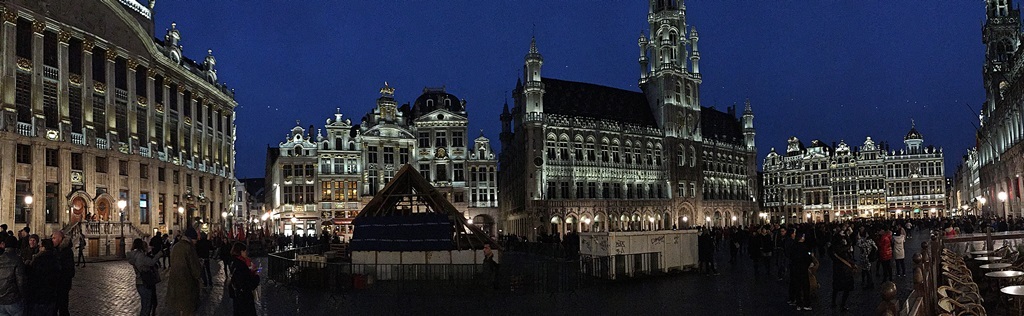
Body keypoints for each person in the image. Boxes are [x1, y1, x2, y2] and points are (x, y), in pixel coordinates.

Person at [166, 227, 201, 316]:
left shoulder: (176, 246)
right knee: (188, 310)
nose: (196, 242)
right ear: (191, 239)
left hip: (175, 283)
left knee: (180, 309)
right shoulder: (189, 247)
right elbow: (195, 270)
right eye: (195, 240)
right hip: (187, 284)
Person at [129, 238, 161, 316]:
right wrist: (159, 254)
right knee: (146, 305)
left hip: (139, 281)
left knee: (145, 304)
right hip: (144, 282)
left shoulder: (134, 255)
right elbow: (151, 262)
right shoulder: (140, 256)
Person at [26, 238, 59, 316]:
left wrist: (28, 266)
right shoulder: (56, 258)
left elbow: (33, 276)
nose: (39, 248)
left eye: (40, 246)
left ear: (44, 248)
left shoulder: (39, 259)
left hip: (40, 295)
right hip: (52, 294)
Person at [228, 242, 259, 316]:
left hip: (237, 296)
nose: (246, 253)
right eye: (245, 251)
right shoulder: (241, 265)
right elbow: (248, 284)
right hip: (244, 298)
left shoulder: (234, 262)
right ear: (241, 252)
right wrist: (256, 277)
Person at [0, 236, 25, 315]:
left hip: (1, 299)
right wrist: (23, 296)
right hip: (13, 299)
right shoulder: (17, 259)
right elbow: (21, 281)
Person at [52, 231, 75, 316]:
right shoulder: (55, 249)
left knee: (63, 307)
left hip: (62, 284)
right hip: (56, 284)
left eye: (54, 238)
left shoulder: (67, 252)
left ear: (60, 239)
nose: (52, 240)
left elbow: (69, 270)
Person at [830, 238, 855, 311]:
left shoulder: (833, 251)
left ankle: (833, 302)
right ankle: (842, 304)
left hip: (837, 271)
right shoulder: (844, 250)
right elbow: (850, 243)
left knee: (836, 288)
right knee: (846, 289)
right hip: (845, 272)